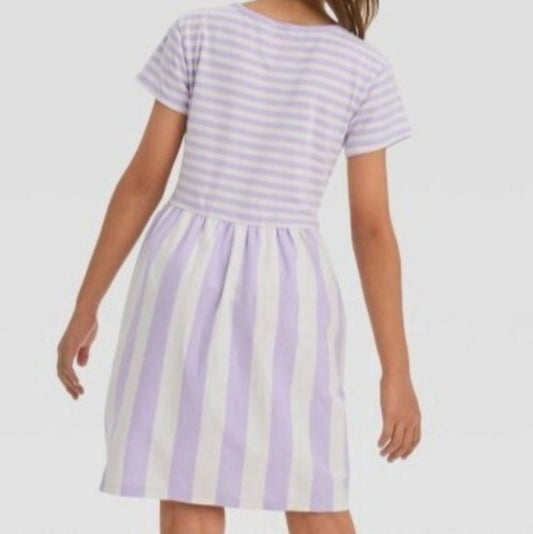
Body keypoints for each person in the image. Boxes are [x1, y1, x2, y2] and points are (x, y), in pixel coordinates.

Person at [56, 0, 421, 532]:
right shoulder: (362, 66)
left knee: (188, 482)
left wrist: (86, 305)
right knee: (311, 487)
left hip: (184, 274)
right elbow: (372, 229)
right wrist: (397, 372)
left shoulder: (199, 32)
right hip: (290, 291)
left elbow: (144, 181)